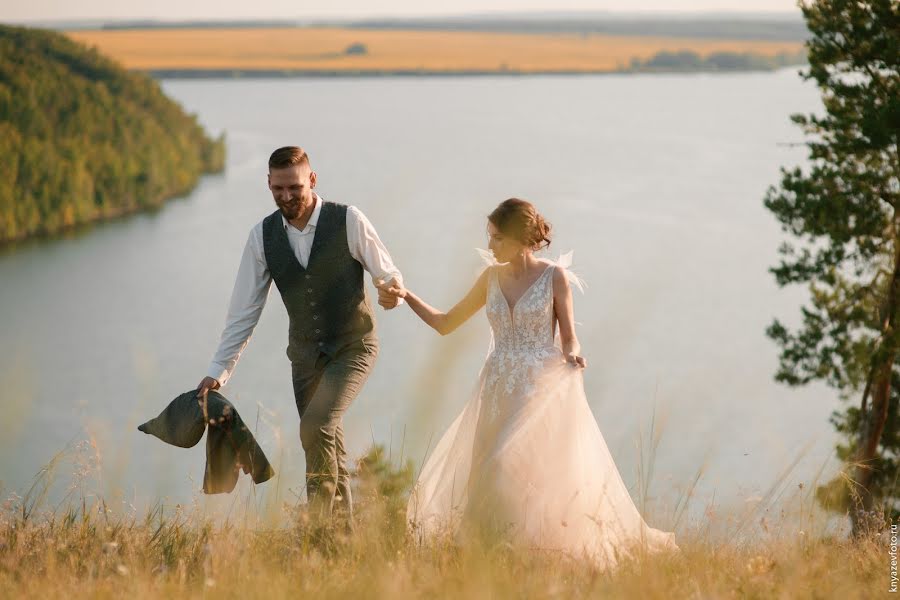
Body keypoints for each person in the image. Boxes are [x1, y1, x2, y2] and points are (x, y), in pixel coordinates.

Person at [385, 198, 679, 568]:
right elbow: (446, 323)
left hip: (536, 386)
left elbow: (569, 335)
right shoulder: (489, 278)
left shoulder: (553, 277)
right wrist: (406, 295)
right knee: (487, 471)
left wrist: (572, 354)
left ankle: (528, 551)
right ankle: (495, 553)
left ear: (518, 237)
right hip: (495, 387)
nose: (489, 246)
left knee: (506, 464)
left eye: (496, 239)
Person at [196, 146, 403, 526]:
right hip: (305, 356)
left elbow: (386, 271)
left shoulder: (349, 220)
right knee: (323, 442)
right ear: (268, 184)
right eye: (278, 189)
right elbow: (244, 311)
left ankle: (319, 529)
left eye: (294, 187)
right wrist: (219, 370)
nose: (287, 197)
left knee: (315, 426)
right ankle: (340, 539)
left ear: (312, 179)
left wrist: (390, 290)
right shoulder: (262, 237)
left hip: (354, 347)